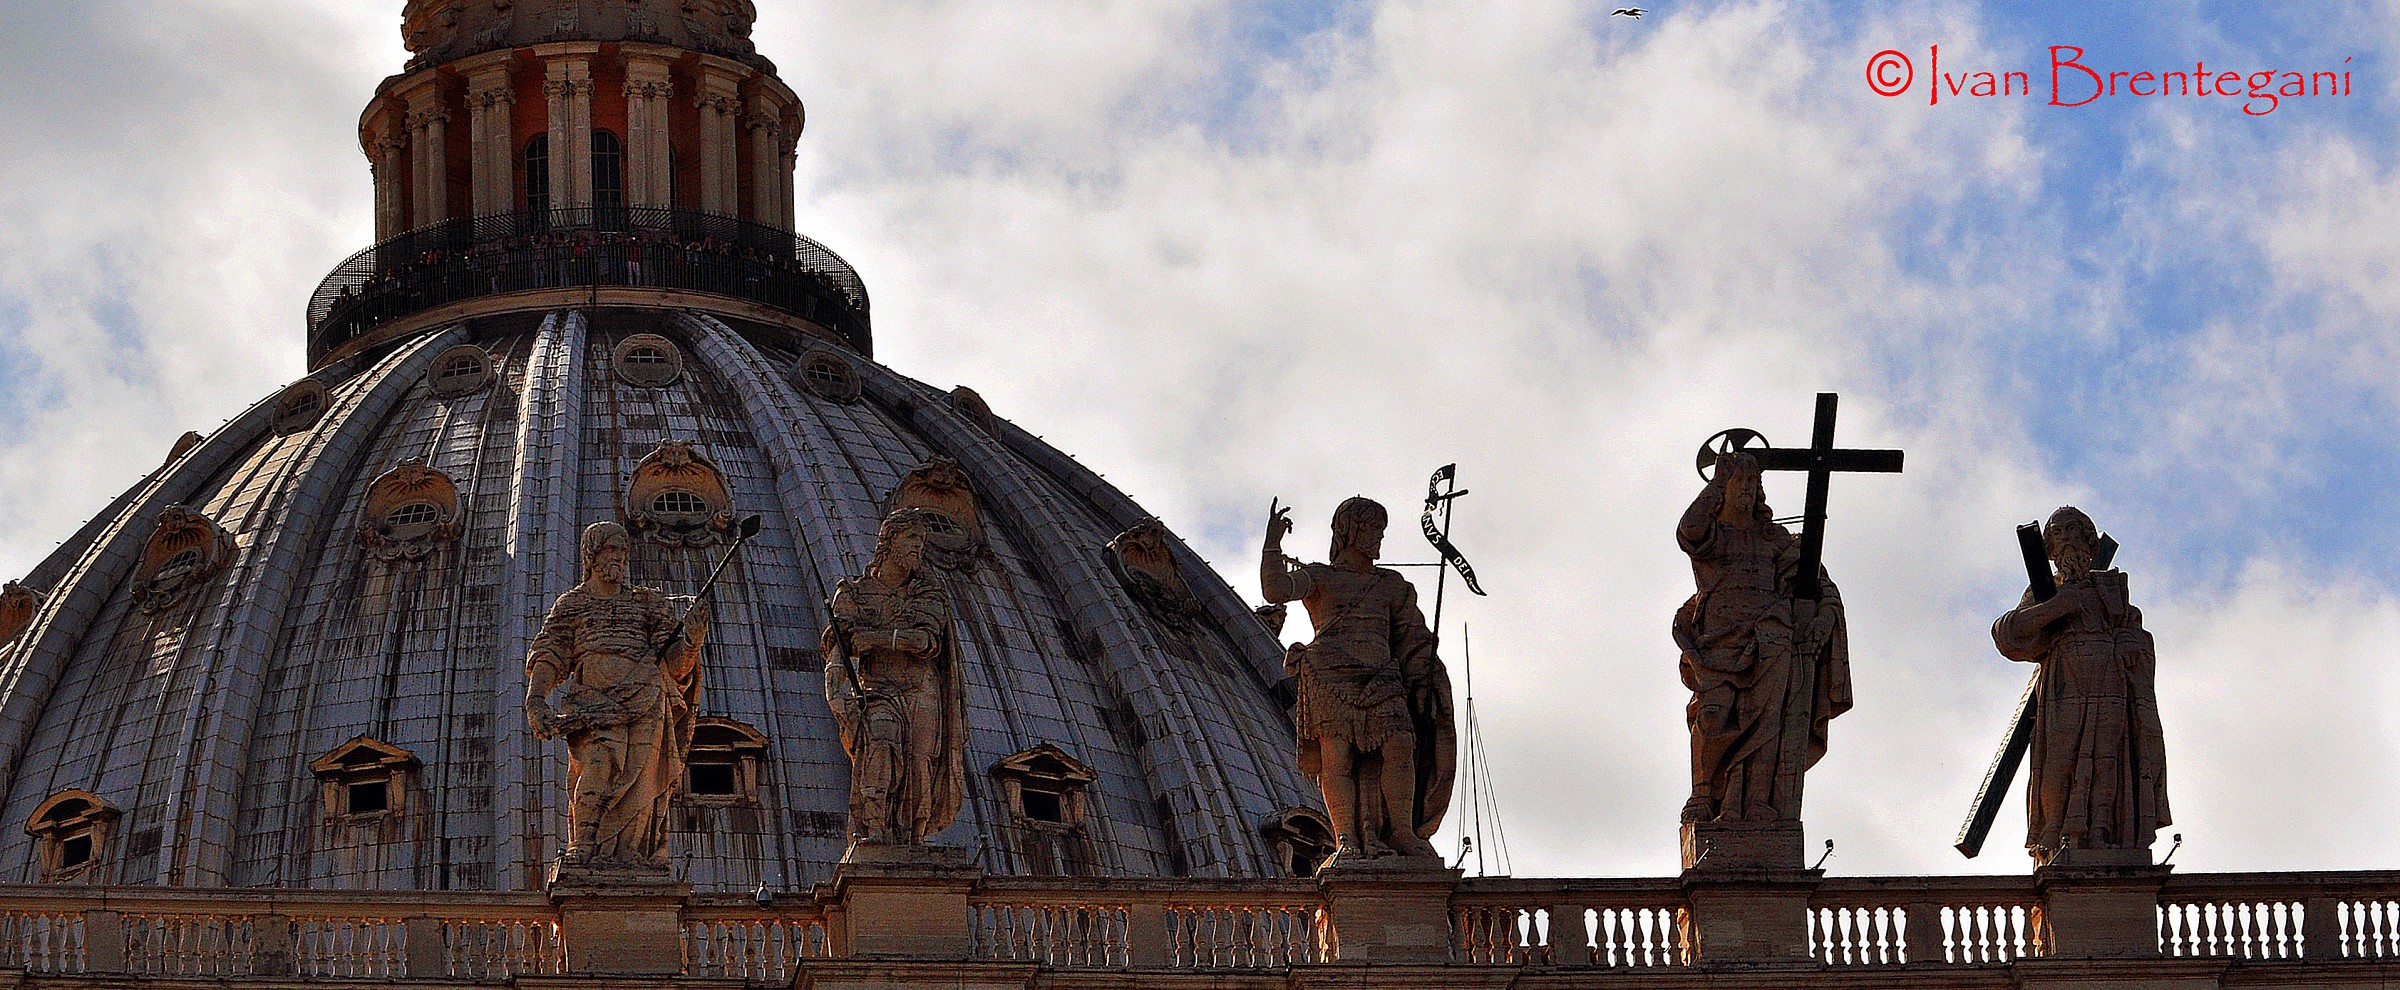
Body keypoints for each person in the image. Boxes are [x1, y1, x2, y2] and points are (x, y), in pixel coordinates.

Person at [1261, 497, 1455, 863]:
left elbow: (1414, 638)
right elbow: (1275, 591)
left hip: (1383, 680)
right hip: (1330, 677)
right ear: (1349, 532)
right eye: (1371, 530)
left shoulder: (1392, 585)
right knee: (1338, 758)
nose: (1378, 539)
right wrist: (1272, 544)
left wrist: (1429, 676)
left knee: (1400, 747)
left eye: (1380, 531)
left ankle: (1401, 831)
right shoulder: (1321, 577)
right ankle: (1346, 837)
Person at [1672, 452, 1851, 824]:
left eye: (1754, 484)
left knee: (1768, 720)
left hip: (1770, 639)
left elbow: (1818, 582)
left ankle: (1756, 800)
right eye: (1741, 482)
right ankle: (1705, 795)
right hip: (1717, 642)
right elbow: (1689, 530)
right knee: (1713, 713)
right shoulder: (1713, 536)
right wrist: (1718, 482)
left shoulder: (1774, 540)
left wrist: (1822, 616)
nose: (1748, 491)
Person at [525, 522, 707, 872]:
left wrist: (692, 640)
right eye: (611, 553)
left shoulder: (647, 604)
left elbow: (672, 665)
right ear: (592, 558)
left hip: (644, 702)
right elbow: (550, 654)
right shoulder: (574, 605)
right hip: (591, 704)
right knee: (595, 770)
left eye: (623, 554)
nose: (619, 561)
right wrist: (536, 700)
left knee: (639, 786)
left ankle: (629, 853)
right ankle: (585, 846)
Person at [1993, 506, 2169, 864]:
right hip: (2064, 681)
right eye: (2057, 533)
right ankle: (2052, 830)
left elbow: (2136, 635)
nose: (2067, 538)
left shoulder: (2112, 589)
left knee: (2108, 758)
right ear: (2050, 549)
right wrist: (2059, 607)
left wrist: (2130, 646)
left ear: (2090, 541)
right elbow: (2008, 634)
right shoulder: (2044, 591)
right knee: (2059, 759)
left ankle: (2103, 831)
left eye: (2074, 530)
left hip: (2110, 679)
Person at [822, 508, 967, 850]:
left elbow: (926, 642)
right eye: (913, 538)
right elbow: (839, 649)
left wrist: (875, 639)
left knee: (920, 765)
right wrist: (837, 692)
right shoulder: (853, 593)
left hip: (922, 690)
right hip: (877, 691)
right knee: (882, 743)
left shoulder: (929, 594)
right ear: (889, 541)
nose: (920, 547)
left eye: (923, 539)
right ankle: (874, 829)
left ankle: (911, 843)